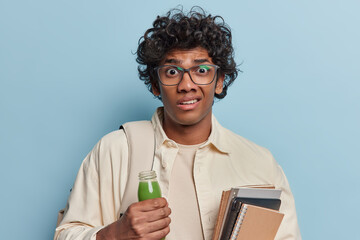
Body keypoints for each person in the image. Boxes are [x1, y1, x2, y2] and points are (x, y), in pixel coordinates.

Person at [54, 7, 301, 240]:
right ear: (155, 83)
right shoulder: (116, 150)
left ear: (219, 81)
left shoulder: (260, 163)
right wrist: (114, 234)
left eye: (201, 70)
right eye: (172, 72)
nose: (186, 85)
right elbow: (64, 234)